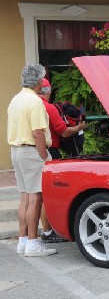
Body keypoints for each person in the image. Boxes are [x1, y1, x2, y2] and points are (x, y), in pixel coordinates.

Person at [7, 64, 56, 256]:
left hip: (17, 150)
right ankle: (33, 243)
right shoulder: (34, 102)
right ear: (38, 81)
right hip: (31, 151)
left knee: (25, 197)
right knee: (36, 198)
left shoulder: (15, 99)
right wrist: (43, 155)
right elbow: (37, 132)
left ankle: (23, 240)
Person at [37, 78, 86, 243]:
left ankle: (35, 234)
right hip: (49, 151)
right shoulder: (48, 107)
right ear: (47, 91)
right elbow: (63, 131)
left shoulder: (28, 106)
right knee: (48, 194)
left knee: (33, 195)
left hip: (30, 151)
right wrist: (79, 128)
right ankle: (48, 231)